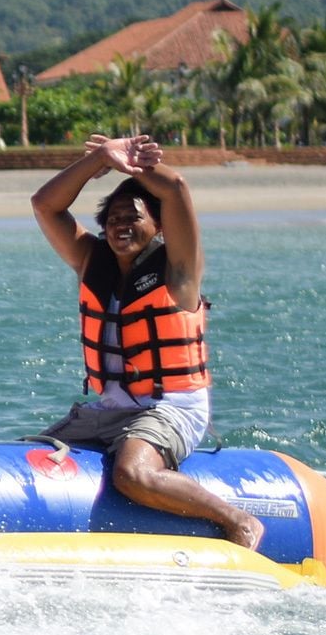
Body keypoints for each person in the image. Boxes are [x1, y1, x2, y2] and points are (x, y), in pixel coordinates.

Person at [29, 133, 260, 550]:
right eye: (114, 218)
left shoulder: (179, 271)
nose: (121, 224)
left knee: (131, 474)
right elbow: (45, 205)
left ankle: (238, 520)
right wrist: (98, 158)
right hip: (110, 410)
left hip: (171, 408)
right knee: (27, 461)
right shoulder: (90, 261)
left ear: (157, 225)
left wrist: (134, 165)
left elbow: (176, 190)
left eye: (133, 216)